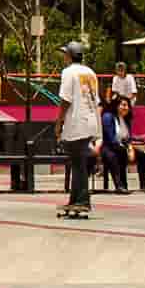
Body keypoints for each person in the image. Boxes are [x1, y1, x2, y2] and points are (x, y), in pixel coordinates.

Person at [57, 41, 102, 213]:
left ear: (69, 55)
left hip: (76, 121)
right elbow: (95, 100)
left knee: (78, 162)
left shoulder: (68, 72)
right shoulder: (90, 72)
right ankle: (75, 199)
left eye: (65, 54)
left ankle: (83, 200)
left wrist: (59, 122)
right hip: (90, 119)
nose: (64, 58)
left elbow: (65, 100)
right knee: (77, 161)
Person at [99, 93, 132, 195]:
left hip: (119, 146)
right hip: (105, 146)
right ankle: (119, 185)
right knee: (113, 156)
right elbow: (110, 137)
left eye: (127, 106)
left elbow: (127, 137)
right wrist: (123, 147)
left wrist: (129, 147)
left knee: (138, 154)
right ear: (116, 105)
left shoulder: (126, 119)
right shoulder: (108, 116)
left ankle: (127, 184)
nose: (125, 108)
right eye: (123, 105)